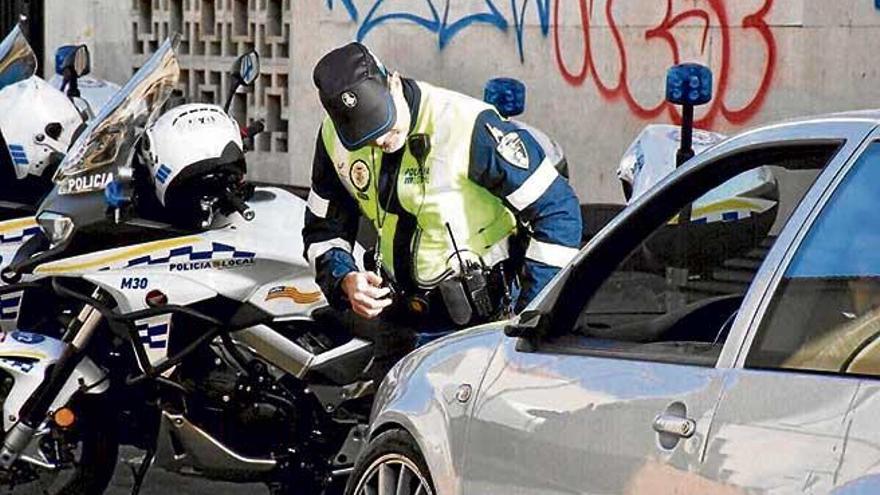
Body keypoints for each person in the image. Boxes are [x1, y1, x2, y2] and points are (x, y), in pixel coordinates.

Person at [303, 42, 582, 376]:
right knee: (388, 423)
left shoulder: (466, 126)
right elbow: (323, 229)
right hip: (398, 319)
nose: (380, 141)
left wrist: (530, 320)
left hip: (482, 324)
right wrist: (344, 279)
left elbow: (558, 210)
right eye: (367, 136)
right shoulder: (335, 139)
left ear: (392, 82)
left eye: (386, 125)